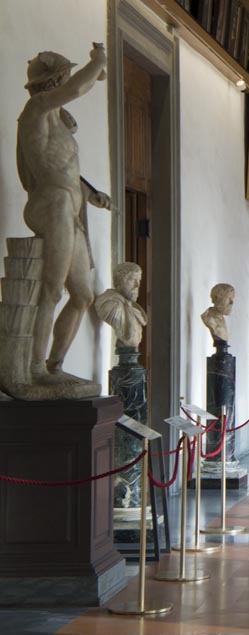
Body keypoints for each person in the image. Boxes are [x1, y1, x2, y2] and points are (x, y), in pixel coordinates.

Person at [18, 45, 111, 389]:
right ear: (54, 80)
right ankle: (34, 366)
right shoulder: (37, 108)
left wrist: (90, 194)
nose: (68, 81)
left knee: (83, 295)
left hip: (68, 206)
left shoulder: (58, 123)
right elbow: (74, 90)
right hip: (50, 204)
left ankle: (55, 366)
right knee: (51, 290)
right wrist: (98, 63)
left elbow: (66, 170)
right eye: (65, 76)